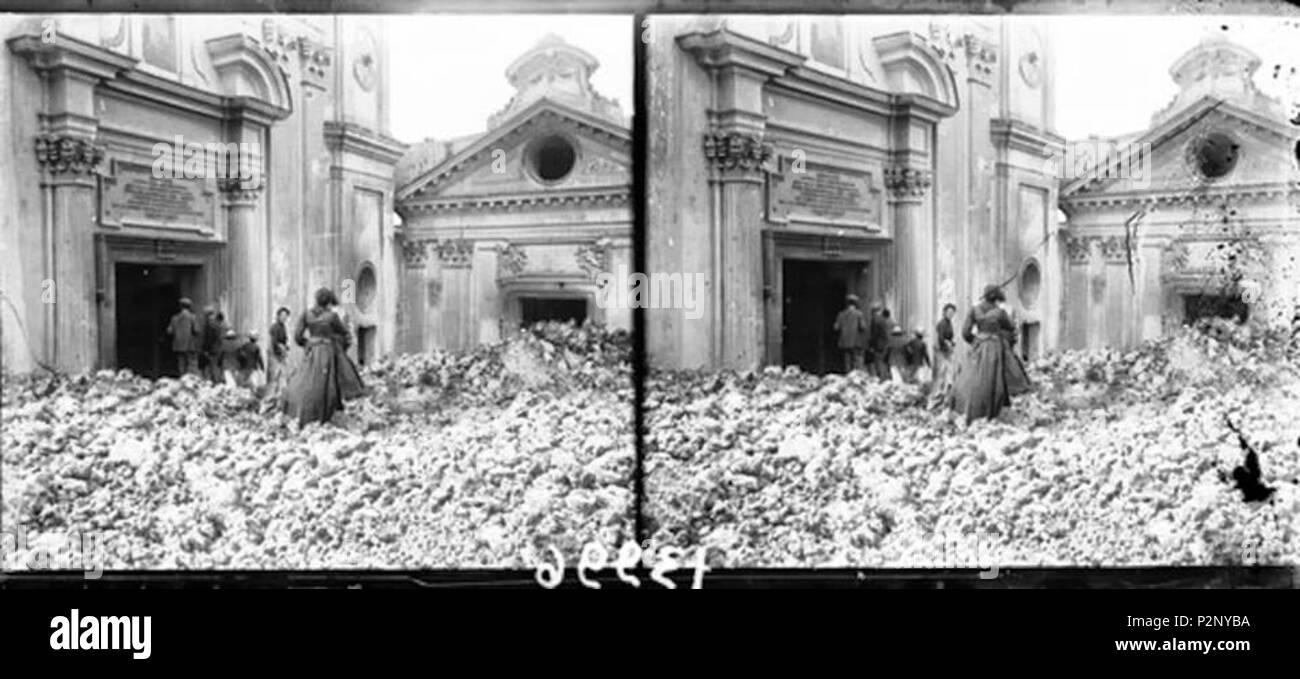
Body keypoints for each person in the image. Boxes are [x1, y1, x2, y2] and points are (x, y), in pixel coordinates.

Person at [948, 285, 1032, 423]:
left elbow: (965, 332)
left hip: (979, 345)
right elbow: (1010, 327)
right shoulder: (999, 312)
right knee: (994, 380)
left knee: (972, 377)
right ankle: (992, 411)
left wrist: (976, 341)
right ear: (997, 297)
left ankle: (968, 409)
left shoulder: (974, 310)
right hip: (994, 347)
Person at [282, 288, 365, 426]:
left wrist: (308, 343)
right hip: (327, 351)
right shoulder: (332, 316)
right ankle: (327, 415)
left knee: (306, 380)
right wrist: (340, 346)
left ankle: (303, 414)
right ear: (328, 301)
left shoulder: (306, 314)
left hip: (312, 351)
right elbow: (344, 333)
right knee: (328, 384)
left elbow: (297, 336)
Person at [929, 303, 958, 407]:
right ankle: (937, 394)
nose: (951, 314)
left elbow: (949, 337)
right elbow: (941, 338)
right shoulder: (942, 323)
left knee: (948, 372)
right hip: (942, 351)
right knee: (942, 372)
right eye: (949, 312)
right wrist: (947, 343)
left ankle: (946, 393)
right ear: (944, 312)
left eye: (952, 313)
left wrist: (952, 343)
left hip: (947, 351)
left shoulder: (949, 323)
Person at [165, 297, 201, 376]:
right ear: (190, 306)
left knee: (181, 364)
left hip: (178, 345)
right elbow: (197, 330)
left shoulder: (174, 318)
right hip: (190, 345)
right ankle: (191, 380)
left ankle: (183, 379)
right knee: (191, 364)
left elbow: (169, 331)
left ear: (180, 306)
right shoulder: (192, 317)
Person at [832, 294, 868, 373]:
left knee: (847, 360)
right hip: (856, 341)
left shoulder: (841, 314)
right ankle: (855, 376)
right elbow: (863, 327)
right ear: (856, 303)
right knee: (856, 360)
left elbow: (836, 327)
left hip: (844, 341)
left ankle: (848, 375)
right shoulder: (859, 314)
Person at [268, 307, 291, 396]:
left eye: (286, 316)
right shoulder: (275, 327)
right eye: (282, 315)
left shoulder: (283, 327)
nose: (284, 318)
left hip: (281, 354)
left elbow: (284, 341)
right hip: (276, 355)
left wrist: (286, 348)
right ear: (278, 316)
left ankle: (280, 395)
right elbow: (274, 342)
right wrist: (279, 351)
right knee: (276, 376)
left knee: (283, 375)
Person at [868, 307, 893, 380]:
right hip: (887, 343)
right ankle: (888, 377)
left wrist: (871, 345)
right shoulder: (884, 319)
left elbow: (874, 334)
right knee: (885, 361)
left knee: (878, 360)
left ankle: (881, 377)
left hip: (879, 344)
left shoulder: (875, 320)